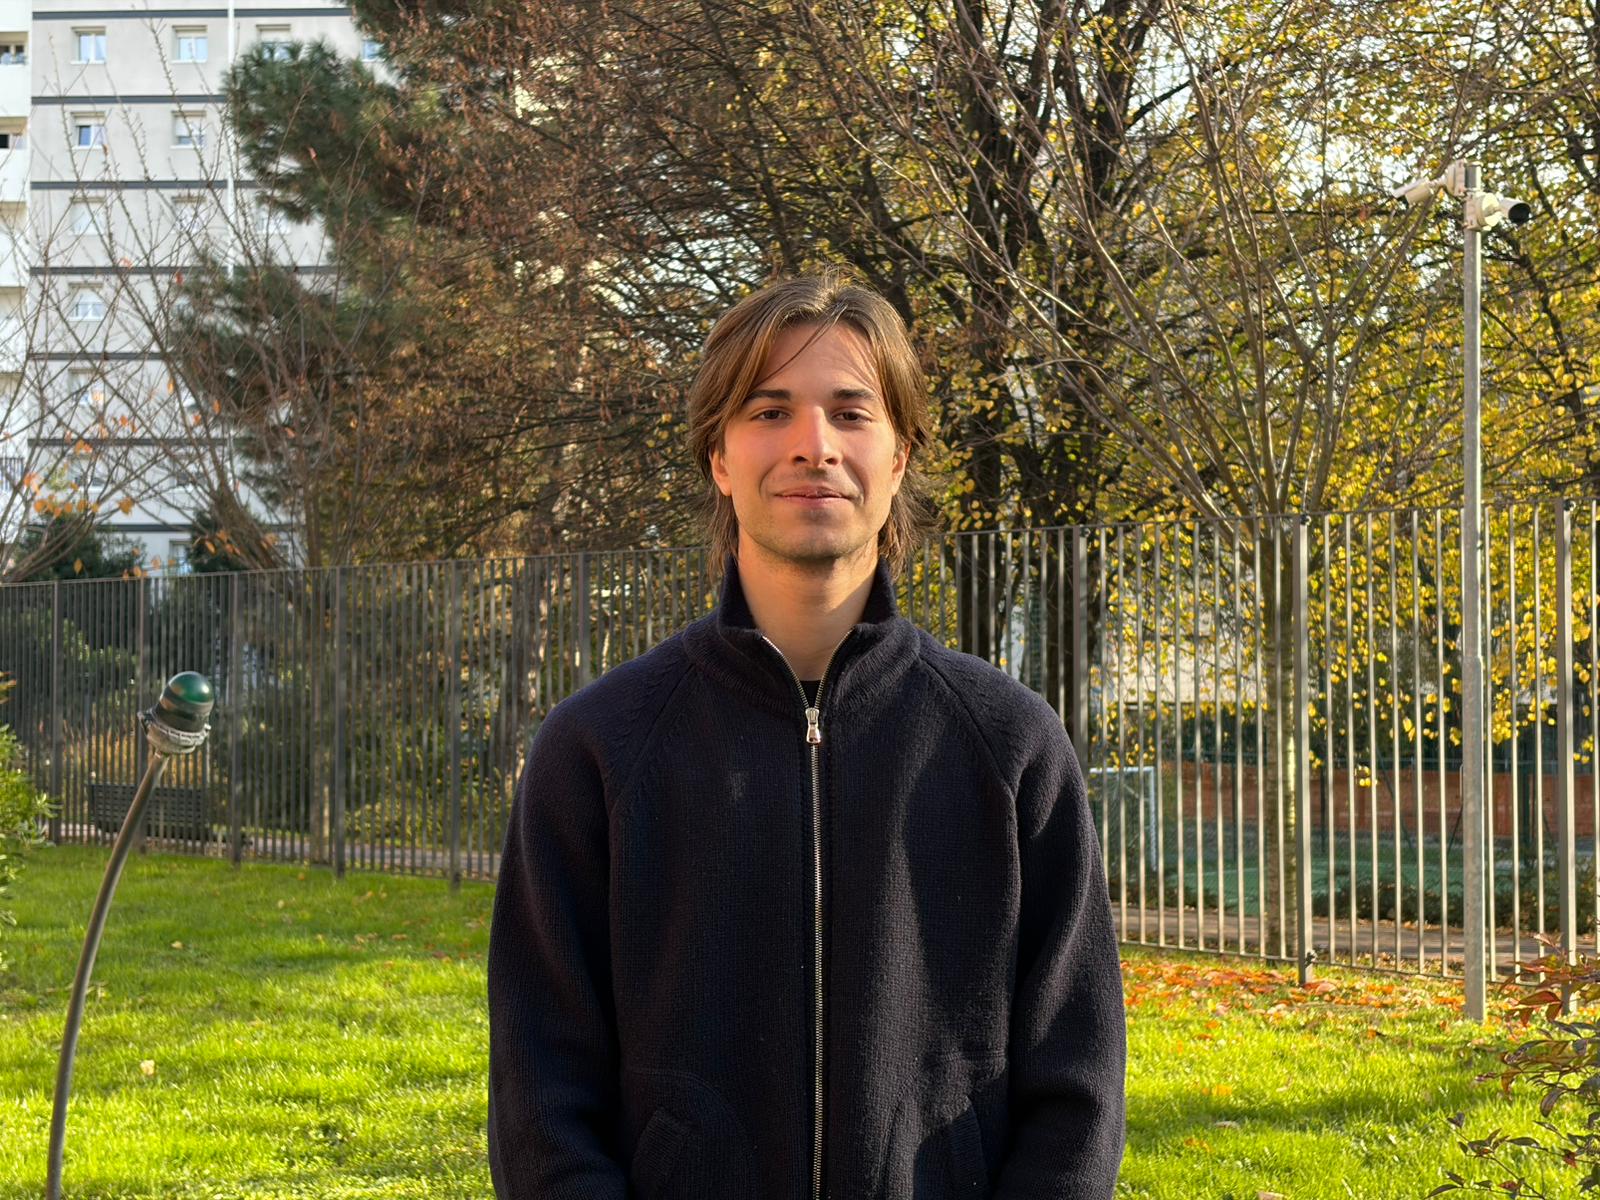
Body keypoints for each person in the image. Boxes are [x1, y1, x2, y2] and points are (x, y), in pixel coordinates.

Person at [487, 269, 1126, 1198]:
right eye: (770, 410)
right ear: (719, 456)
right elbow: (540, 1099)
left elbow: (1077, 1088)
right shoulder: (598, 751)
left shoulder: (1010, 747)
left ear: (900, 455)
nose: (813, 445)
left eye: (851, 413)